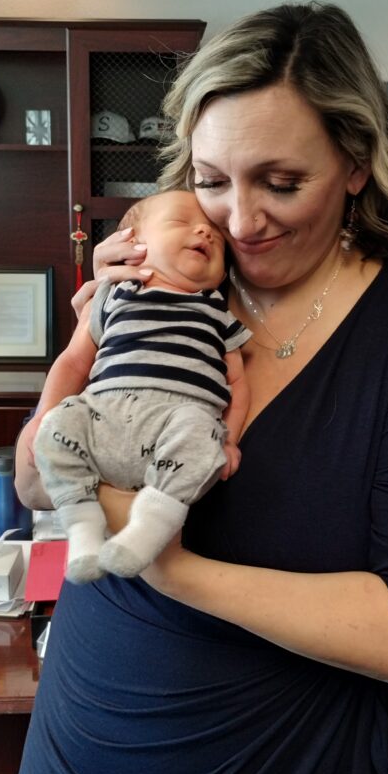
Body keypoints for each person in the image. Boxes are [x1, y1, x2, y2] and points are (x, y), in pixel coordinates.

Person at [10, 1, 388, 774]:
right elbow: (32, 479)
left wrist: (172, 567)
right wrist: (92, 336)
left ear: (355, 164)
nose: (239, 222)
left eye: (281, 183)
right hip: (80, 764)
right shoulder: (162, 284)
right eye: (211, 181)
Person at [31, 190, 251, 583]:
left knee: (201, 436)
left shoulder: (217, 311)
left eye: (216, 237)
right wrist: (44, 417)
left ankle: (148, 528)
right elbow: (74, 361)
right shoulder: (113, 295)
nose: (205, 231)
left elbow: (237, 382)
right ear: (132, 245)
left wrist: (229, 439)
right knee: (56, 427)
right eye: (180, 222)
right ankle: (83, 532)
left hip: (177, 422)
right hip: (104, 418)